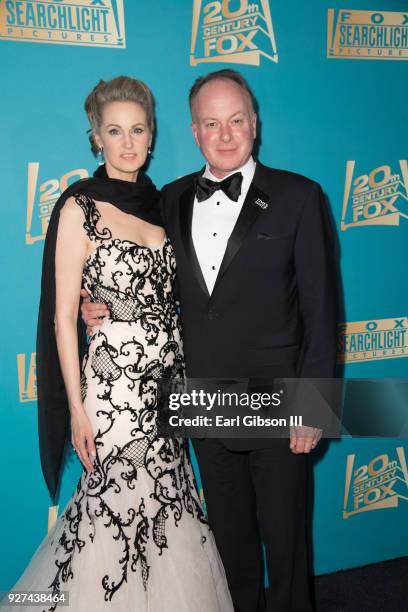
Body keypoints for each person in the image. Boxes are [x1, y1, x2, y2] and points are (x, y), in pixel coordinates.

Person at [82, 70, 338, 612]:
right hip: (203, 397)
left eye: (237, 120)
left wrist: (314, 404)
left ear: (255, 124)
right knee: (229, 548)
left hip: (280, 402)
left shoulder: (299, 196)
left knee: (287, 550)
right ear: (195, 132)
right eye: (212, 123)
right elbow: (140, 273)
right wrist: (98, 305)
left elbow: (322, 310)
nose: (225, 134)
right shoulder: (169, 199)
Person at [6, 76, 233, 612]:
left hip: (168, 387)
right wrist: (79, 412)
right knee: (111, 513)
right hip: (112, 393)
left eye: (137, 130)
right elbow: (64, 319)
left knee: (168, 507)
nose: (128, 143)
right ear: (96, 138)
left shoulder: (167, 205)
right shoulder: (78, 209)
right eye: (115, 131)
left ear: (151, 135)